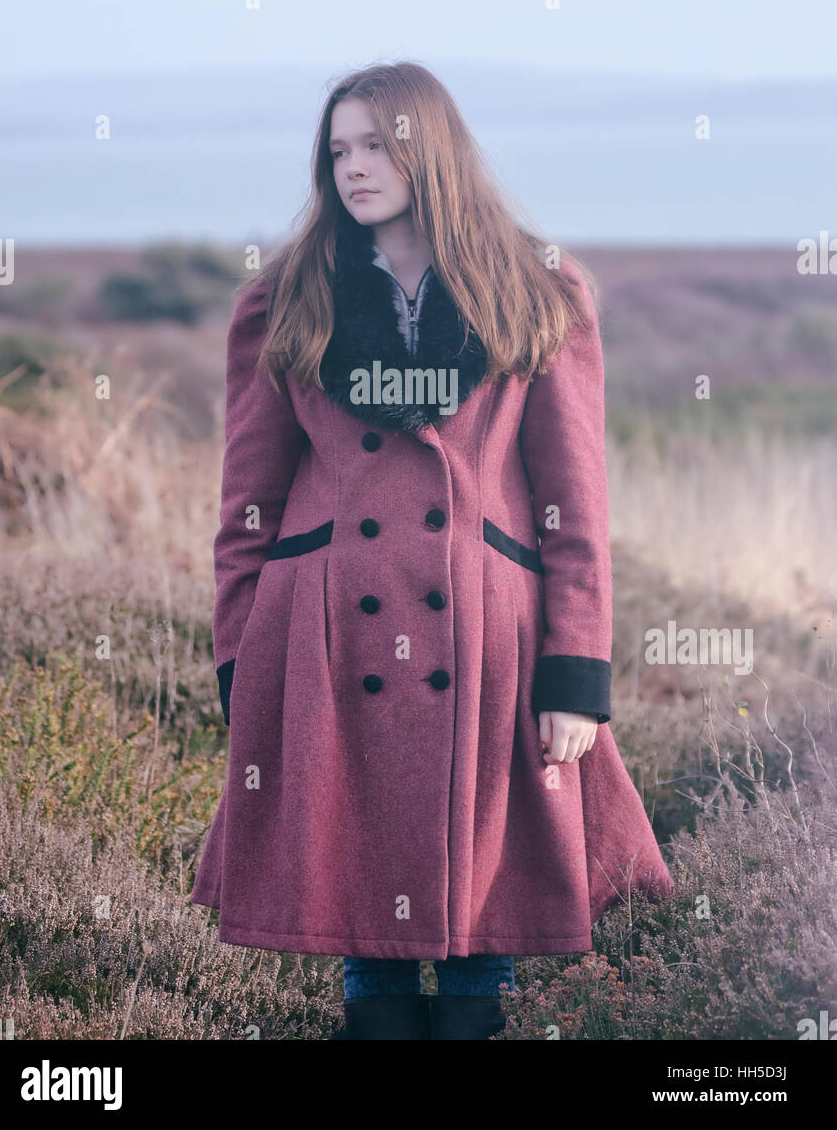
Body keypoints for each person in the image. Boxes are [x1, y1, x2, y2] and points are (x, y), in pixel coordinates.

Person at [189, 60, 673, 1041]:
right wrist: (243, 664)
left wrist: (574, 672)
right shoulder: (285, 299)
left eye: (376, 144)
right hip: (328, 638)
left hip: (488, 637)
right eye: (337, 150)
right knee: (367, 951)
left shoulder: (536, 289)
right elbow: (248, 506)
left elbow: (571, 502)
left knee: (474, 962)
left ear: (428, 148)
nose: (353, 167)